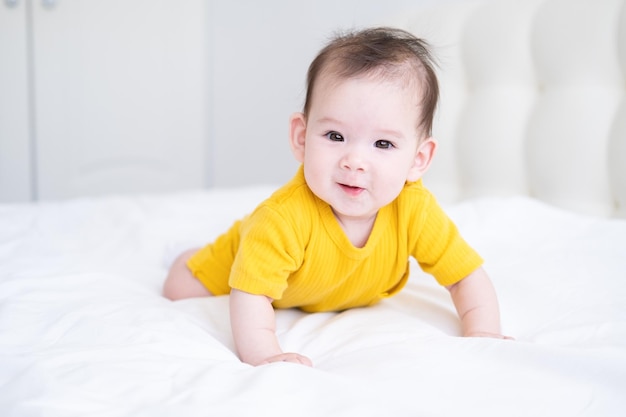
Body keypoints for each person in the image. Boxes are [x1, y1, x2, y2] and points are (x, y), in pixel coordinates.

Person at [163, 27, 511, 367]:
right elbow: (251, 296)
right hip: (245, 257)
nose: (355, 161)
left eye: (383, 144)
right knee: (178, 286)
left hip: (337, 288)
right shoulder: (281, 219)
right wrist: (266, 354)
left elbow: (466, 276)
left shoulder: (415, 210)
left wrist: (483, 331)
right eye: (335, 135)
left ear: (418, 160)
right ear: (301, 137)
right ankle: (186, 254)